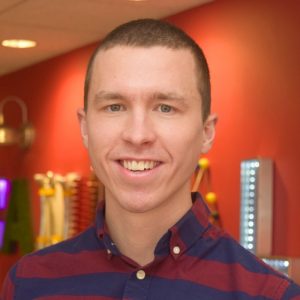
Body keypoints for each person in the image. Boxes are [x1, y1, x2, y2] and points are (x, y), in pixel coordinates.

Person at [1, 18, 300, 300]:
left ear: (206, 131)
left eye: (165, 108)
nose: (137, 134)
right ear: (85, 128)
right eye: (115, 107)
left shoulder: (266, 294)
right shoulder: (28, 284)